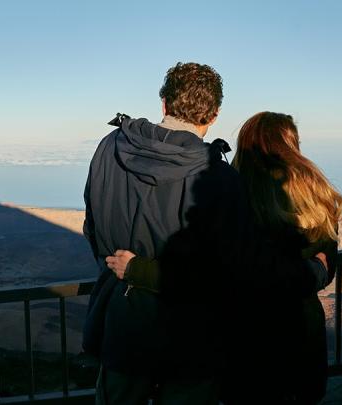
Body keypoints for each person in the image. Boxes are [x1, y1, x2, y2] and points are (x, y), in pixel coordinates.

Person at [108, 112, 342, 403]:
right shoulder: (319, 198)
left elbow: (218, 275)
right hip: (301, 337)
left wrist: (137, 269)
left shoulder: (234, 194)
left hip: (246, 342)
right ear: (291, 144)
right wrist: (315, 273)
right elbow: (323, 264)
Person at [82, 62, 241, 404]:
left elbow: (92, 225)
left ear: (165, 104)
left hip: (123, 326)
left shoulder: (111, 148)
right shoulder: (220, 176)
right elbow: (225, 271)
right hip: (192, 339)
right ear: (213, 116)